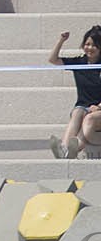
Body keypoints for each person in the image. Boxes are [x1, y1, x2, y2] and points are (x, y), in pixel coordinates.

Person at [48, 26, 101, 159]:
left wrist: (99, 107)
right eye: (87, 44)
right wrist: (61, 40)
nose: (89, 48)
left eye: (94, 45)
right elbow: (53, 60)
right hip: (84, 107)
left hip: (98, 110)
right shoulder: (79, 62)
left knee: (90, 118)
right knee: (77, 112)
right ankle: (64, 150)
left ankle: (74, 149)